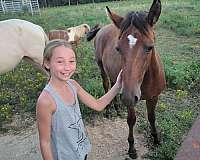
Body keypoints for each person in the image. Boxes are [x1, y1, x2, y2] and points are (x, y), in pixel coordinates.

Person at [36, 39, 123, 160]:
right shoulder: (46, 101)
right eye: (60, 61)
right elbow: (45, 142)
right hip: (64, 156)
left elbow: (98, 105)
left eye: (71, 61)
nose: (67, 67)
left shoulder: (73, 85)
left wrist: (118, 85)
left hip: (81, 150)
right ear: (47, 63)